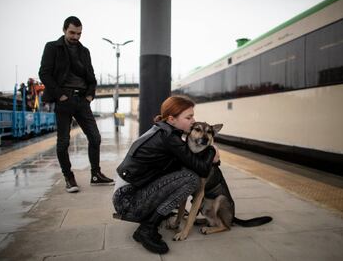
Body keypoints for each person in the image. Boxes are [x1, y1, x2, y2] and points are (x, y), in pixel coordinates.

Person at [112, 95, 219, 254]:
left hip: (126, 196)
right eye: (188, 117)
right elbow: (202, 170)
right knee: (191, 179)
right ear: (172, 119)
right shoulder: (170, 138)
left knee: (182, 175)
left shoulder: (163, 130)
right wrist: (211, 150)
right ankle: (146, 229)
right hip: (128, 202)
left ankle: (155, 219)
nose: (193, 120)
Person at [39, 16, 114, 193]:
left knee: (95, 137)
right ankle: (69, 178)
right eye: (72, 33)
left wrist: (89, 96)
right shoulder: (52, 47)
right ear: (64, 30)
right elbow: (44, 73)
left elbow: (92, 77)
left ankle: (96, 175)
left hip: (82, 101)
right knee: (63, 142)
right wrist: (60, 95)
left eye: (79, 33)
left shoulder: (84, 51)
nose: (75, 37)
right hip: (64, 100)